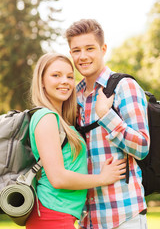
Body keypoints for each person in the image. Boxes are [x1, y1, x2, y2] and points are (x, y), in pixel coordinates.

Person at [25, 52, 126, 229]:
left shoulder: (61, 120)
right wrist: (102, 178)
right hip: (51, 216)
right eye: (56, 75)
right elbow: (58, 178)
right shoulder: (46, 117)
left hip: (60, 216)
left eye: (70, 76)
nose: (65, 81)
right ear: (41, 81)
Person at [65, 19, 150, 229]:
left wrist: (106, 115)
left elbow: (142, 147)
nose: (82, 56)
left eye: (89, 48)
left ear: (103, 49)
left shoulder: (124, 87)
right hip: (89, 219)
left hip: (124, 214)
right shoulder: (74, 96)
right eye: (76, 50)